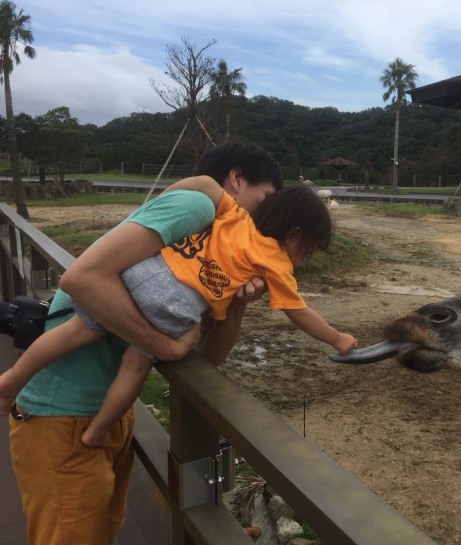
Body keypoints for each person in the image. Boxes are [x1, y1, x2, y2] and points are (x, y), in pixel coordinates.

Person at [7, 140, 283, 545]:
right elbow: (79, 280)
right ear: (236, 180)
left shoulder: (221, 252)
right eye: (266, 198)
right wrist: (165, 346)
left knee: (102, 532)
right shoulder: (198, 207)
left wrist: (236, 306)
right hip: (61, 414)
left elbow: (209, 359)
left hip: (110, 413)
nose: (267, 215)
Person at [1, 177, 357, 446]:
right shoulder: (277, 265)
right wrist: (336, 337)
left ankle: (10, 380)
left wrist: (168, 194)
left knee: (75, 331)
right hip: (172, 304)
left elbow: (204, 184)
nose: (305, 258)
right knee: (135, 365)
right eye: (309, 250)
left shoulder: (235, 217)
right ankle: (97, 431)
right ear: (295, 234)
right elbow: (300, 312)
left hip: (139, 273)